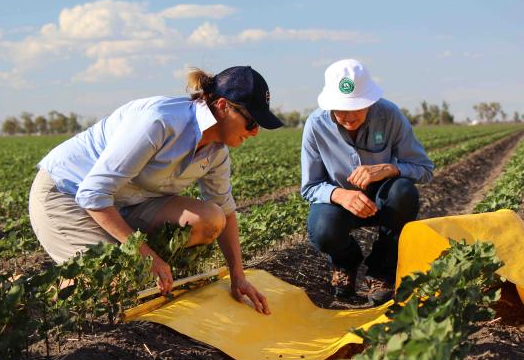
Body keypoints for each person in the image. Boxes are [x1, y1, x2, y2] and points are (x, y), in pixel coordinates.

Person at [29, 66, 283, 314]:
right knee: (110, 285)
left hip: (124, 202)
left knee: (210, 220)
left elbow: (226, 213)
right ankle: (25, 298)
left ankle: (141, 271)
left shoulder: (216, 153)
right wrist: (146, 256)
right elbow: (93, 194)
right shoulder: (160, 121)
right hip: (67, 193)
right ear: (223, 106)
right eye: (251, 121)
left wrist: (238, 275)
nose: (255, 132)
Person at [301, 59, 434, 303]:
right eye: (340, 109)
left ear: (370, 102)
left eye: (356, 108)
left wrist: (389, 168)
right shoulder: (315, 125)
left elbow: (424, 169)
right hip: (341, 206)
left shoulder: (390, 116)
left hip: (384, 201)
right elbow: (310, 187)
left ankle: (381, 272)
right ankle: (346, 264)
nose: (348, 116)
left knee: (403, 192)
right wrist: (340, 195)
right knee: (322, 227)